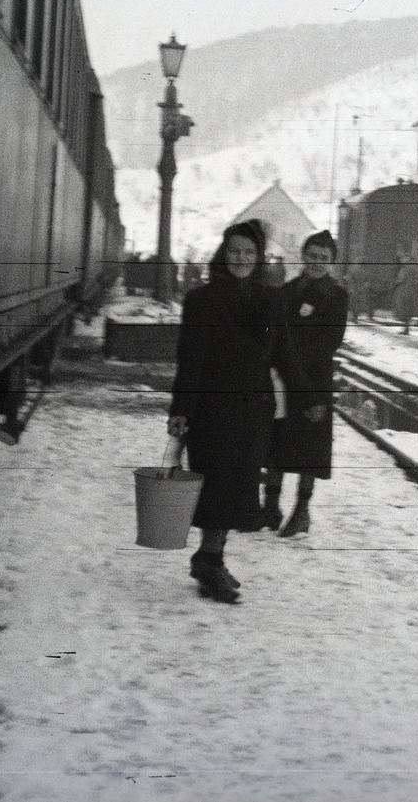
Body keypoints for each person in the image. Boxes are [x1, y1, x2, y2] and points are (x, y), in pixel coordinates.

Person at [167, 220, 277, 604]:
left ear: (259, 257)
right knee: (216, 486)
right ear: (222, 254)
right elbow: (190, 358)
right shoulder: (202, 299)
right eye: (234, 251)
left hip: (253, 409)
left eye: (249, 252)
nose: (241, 259)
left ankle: (211, 557)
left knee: (237, 486)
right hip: (213, 409)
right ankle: (209, 561)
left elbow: (282, 353)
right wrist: (181, 409)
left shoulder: (269, 299)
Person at [265, 231, 349, 538]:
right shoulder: (287, 291)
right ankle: (270, 504)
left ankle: (302, 512)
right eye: (312, 256)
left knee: (310, 447)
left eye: (323, 259)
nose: (316, 263)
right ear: (303, 256)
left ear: (331, 262)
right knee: (277, 436)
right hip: (283, 379)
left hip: (315, 380)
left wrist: (294, 359)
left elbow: (331, 340)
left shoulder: (337, 295)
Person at [393, 251, 418, 334]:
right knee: (409, 309)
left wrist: (396, 282)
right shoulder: (414, 268)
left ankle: (406, 328)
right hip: (411, 291)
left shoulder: (405, 268)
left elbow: (401, 279)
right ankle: (406, 328)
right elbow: (417, 280)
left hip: (404, 291)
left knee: (404, 309)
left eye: (403, 258)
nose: (402, 260)